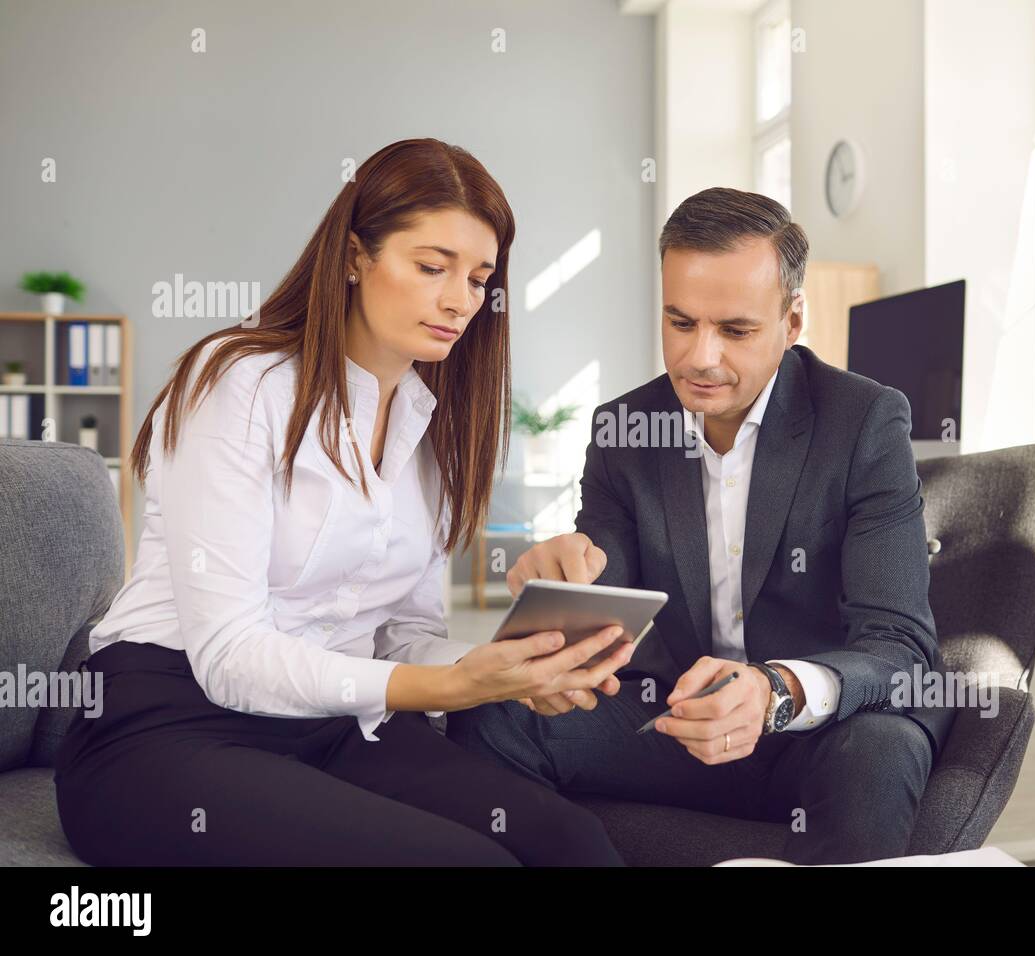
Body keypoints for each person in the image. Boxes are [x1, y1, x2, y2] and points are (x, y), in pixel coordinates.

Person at [54, 138, 628, 867]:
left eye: (480, 278)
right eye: (431, 267)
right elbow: (229, 655)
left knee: (572, 845)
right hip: (170, 721)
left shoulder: (432, 426)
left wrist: (509, 668)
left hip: (335, 722)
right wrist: (449, 686)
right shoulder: (241, 381)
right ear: (356, 256)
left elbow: (399, 639)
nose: (460, 300)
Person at [447, 186, 956, 865]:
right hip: (677, 721)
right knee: (490, 712)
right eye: (680, 323)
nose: (700, 358)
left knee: (881, 749)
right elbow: (607, 592)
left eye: (736, 330)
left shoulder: (863, 421)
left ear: (793, 319)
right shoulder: (626, 429)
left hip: (821, 730)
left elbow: (899, 644)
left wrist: (776, 691)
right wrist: (568, 592)